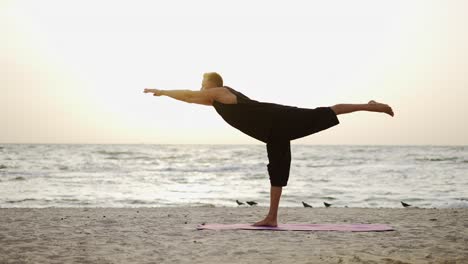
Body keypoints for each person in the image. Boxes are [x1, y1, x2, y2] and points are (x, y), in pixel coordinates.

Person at [143, 72, 394, 227]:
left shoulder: (221, 92)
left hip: (280, 120)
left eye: (202, 84)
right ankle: (272, 217)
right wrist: (169, 96)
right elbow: (189, 98)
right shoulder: (215, 101)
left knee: (325, 112)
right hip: (273, 133)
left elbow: (188, 95)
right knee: (277, 172)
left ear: (211, 84)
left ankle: (369, 106)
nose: (200, 88)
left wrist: (164, 91)